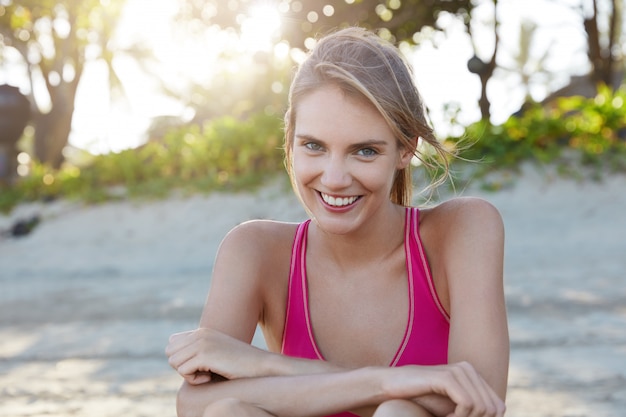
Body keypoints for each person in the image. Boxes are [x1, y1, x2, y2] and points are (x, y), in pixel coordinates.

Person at [166, 27, 509, 417]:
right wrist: (389, 382)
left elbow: (479, 402)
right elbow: (193, 403)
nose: (334, 178)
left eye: (364, 151)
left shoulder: (462, 231)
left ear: (405, 150)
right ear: (290, 137)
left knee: (400, 413)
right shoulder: (256, 250)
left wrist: (267, 366)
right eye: (313, 146)